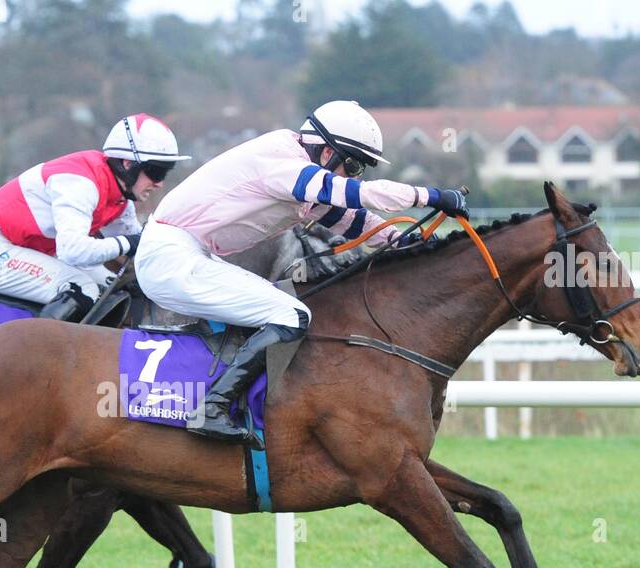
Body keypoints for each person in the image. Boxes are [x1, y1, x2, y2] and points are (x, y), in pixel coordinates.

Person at [136, 100, 469, 447]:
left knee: (280, 308)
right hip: (170, 255)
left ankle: (234, 402)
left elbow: (351, 219)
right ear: (326, 152)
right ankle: (214, 408)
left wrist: (399, 239)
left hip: (186, 254)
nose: (352, 175)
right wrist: (430, 196)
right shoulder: (282, 161)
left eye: (358, 170)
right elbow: (356, 195)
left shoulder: (300, 178)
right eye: (352, 165)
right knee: (292, 314)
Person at [0, 114, 189, 322]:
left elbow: (137, 251)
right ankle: (34, 362)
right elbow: (73, 251)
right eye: (156, 172)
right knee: (81, 288)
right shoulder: (79, 183)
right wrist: (128, 244)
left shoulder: (120, 196)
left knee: (113, 286)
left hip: (27, 249)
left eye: (165, 173)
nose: (159, 183)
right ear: (128, 164)